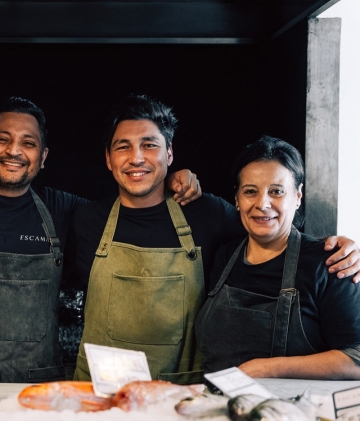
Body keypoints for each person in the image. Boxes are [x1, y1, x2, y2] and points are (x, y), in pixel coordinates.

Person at [72, 94, 360, 384]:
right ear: (108, 158)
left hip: (181, 392)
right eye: (123, 147)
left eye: (149, 145)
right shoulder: (83, 217)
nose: (136, 158)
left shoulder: (208, 214)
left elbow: (273, 232)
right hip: (99, 388)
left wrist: (336, 247)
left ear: (169, 154)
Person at [0, 96, 201, 383]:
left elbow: (133, 202)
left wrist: (169, 180)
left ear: (43, 157)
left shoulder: (66, 209)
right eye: (2, 139)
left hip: (41, 384)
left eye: (28, 143)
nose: (13, 150)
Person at [195, 136, 360, 379]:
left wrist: (267, 369)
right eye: (250, 191)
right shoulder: (223, 256)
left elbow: (356, 359)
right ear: (237, 199)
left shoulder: (329, 264)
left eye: (277, 191)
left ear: (297, 196)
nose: (262, 203)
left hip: (290, 403)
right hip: (214, 400)